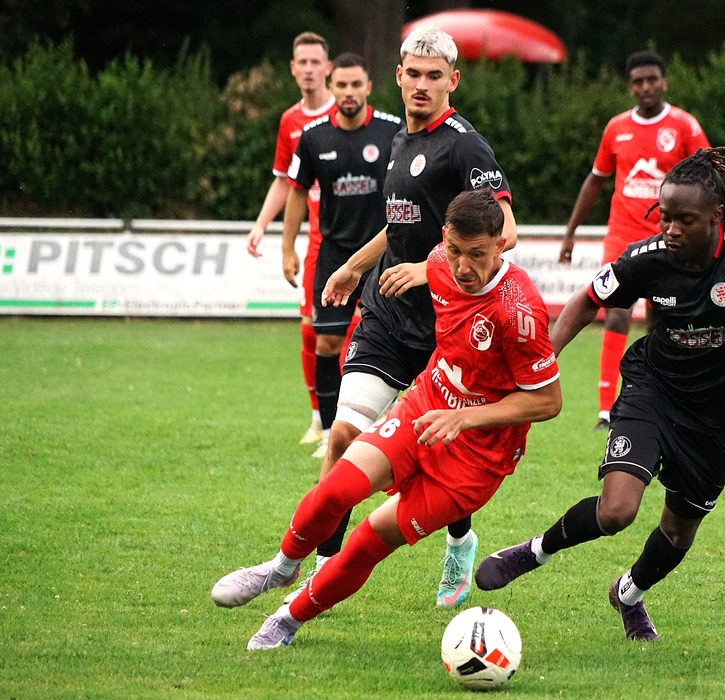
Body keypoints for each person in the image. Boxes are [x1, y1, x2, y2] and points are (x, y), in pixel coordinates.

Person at [475, 148, 725, 642]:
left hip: (713, 419)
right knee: (616, 511)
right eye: (665, 217)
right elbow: (587, 300)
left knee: (679, 533)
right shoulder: (648, 257)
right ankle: (533, 552)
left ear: (716, 217)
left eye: (686, 220)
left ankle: (628, 594)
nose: (672, 230)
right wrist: (542, 362)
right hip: (653, 390)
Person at [211, 189, 561, 651]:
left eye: (477, 255)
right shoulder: (438, 261)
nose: (462, 267)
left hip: (477, 461)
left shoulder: (519, 312)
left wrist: (465, 419)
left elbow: (547, 401)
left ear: (501, 244)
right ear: (444, 238)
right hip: (425, 409)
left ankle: (287, 620)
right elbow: (424, 255)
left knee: (367, 542)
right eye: (454, 250)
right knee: (336, 489)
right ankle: (280, 568)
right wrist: (397, 268)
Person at [316, 25, 517, 608]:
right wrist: (353, 267)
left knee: (439, 453)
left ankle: (459, 540)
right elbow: (402, 224)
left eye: (435, 76)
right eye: (414, 74)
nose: (423, 85)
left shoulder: (465, 147)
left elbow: (504, 232)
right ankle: (321, 567)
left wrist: (432, 271)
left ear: (454, 80)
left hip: (446, 324)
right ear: (399, 77)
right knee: (344, 435)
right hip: (387, 312)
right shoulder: (401, 140)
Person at [278, 52, 400, 575]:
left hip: (383, 259)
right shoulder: (312, 137)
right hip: (332, 257)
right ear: (332, 85)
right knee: (327, 343)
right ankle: (331, 430)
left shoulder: (392, 132)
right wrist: (288, 247)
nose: (348, 92)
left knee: (385, 346)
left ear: (369, 85)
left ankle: (380, 423)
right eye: (341, 85)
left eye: (356, 84)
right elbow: (295, 193)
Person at [559, 50, 710, 431]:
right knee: (616, 311)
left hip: (669, 239)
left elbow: (708, 179)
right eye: (638, 82)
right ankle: (605, 410)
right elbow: (596, 180)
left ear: (664, 82)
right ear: (630, 87)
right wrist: (571, 231)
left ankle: (664, 398)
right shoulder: (616, 128)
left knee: (664, 317)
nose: (645, 87)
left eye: (651, 80)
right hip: (622, 238)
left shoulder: (684, 126)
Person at [245, 31, 336, 445]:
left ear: (327, 68)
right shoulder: (290, 122)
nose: (309, 69)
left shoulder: (346, 113)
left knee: (349, 330)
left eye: (316, 62)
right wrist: (262, 225)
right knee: (310, 330)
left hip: (351, 237)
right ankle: (319, 417)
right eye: (303, 62)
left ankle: (353, 416)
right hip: (317, 241)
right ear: (293, 69)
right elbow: (285, 181)